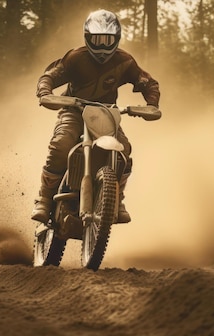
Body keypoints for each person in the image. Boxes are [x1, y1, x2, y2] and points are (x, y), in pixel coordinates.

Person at [31, 9, 161, 224]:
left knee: (124, 149)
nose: (102, 46)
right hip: (73, 111)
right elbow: (50, 76)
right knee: (61, 143)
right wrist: (45, 93)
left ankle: (116, 200)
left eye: (107, 40)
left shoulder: (125, 61)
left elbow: (148, 82)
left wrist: (152, 104)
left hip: (107, 113)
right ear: (88, 37)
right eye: (97, 40)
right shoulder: (75, 57)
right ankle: (44, 199)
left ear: (116, 39)